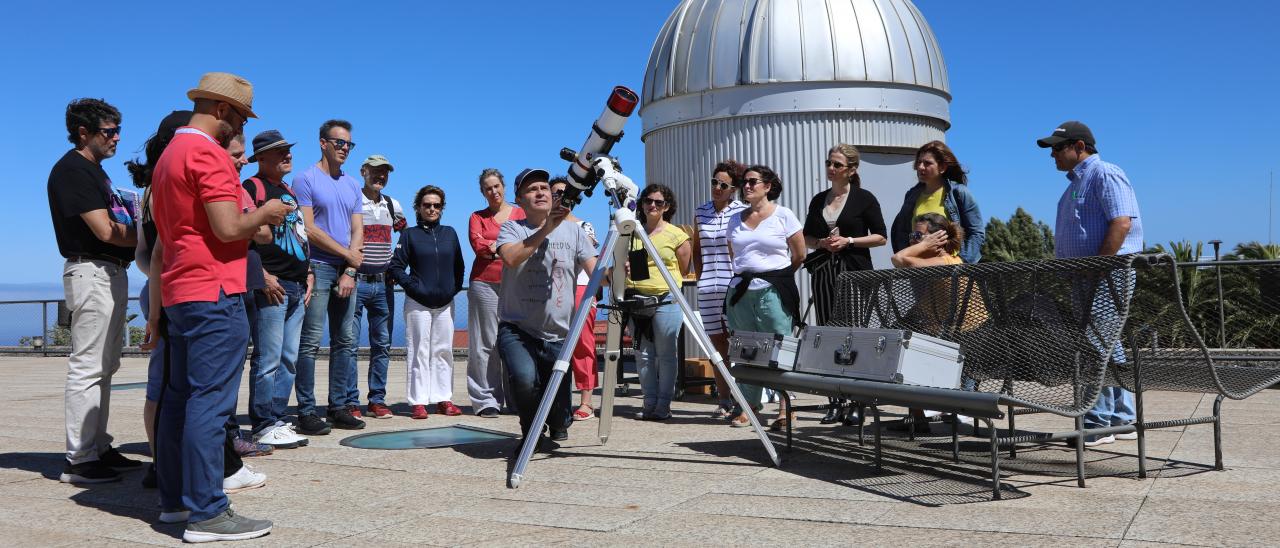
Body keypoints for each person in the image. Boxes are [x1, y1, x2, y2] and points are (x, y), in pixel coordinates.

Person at [150, 72, 285, 541]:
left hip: (180, 290)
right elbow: (229, 229)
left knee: (179, 401)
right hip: (216, 291)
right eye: (241, 117)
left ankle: (174, 502)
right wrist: (265, 214)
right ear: (224, 111)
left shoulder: (170, 154)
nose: (239, 129)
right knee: (211, 405)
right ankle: (208, 513)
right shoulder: (207, 153)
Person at [47, 98, 143, 484]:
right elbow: (104, 231)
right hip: (92, 271)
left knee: (106, 366)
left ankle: (98, 446)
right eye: (109, 131)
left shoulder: (95, 172)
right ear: (83, 132)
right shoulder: (72, 171)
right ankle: (80, 459)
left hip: (110, 271)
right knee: (88, 367)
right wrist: (150, 238)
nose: (116, 138)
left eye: (118, 130)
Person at [1038, 120, 1143, 447]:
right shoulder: (1075, 183)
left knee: (1095, 343)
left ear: (1079, 147)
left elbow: (1121, 222)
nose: (1052, 155)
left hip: (1105, 275)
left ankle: (1097, 423)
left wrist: (1098, 266)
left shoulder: (1105, 173)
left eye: (1057, 148)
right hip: (1088, 276)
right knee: (1108, 343)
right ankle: (1122, 417)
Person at [495, 168, 598, 445]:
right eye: (532, 189)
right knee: (525, 379)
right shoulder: (511, 228)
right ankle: (531, 433)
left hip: (557, 333)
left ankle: (556, 420)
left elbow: (598, 274)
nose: (541, 192)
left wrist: (620, 268)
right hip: (517, 327)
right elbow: (512, 258)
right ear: (519, 199)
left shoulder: (575, 232)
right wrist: (546, 229)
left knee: (561, 423)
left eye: (544, 187)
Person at [802, 144, 886, 426]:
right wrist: (822, 243)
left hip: (854, 272)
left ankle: (858, 403)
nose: (831, 168)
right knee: (827, 334)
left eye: (837, 165)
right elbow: (807, 237)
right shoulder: (818, 200)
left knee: (854, 335)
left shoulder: (865, 199)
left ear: (851, 170)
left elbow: (880, 237)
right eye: (829, 163)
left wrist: (848, 240)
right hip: (825, 272)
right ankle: (834, 402)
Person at [128, 110, 191, 489]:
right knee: (167, 383)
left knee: (164, 382)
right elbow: (153, 252)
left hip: (156, 289)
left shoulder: (150, 189)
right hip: (170, 293)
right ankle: (163, 463)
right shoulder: (167, 187)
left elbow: (141, 253)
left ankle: (160, 459)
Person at [293, 119, 365, 433]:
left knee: (345, 342)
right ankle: (307, 411)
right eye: (339, 143)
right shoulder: (305, 179)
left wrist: (350, 267)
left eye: (349, 144)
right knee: (309, 342)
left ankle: (338, 407)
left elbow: (358, 228)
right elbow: (308, 228)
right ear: (323, 143)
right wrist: (347, 255)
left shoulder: (352, 184)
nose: (344, 149)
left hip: (346, 270)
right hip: (318, 267)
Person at [243, 130, 312, 448]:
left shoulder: (287, 191)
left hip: (297, 284)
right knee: (268, 358)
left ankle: (278, 418)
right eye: (279, 151)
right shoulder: (253, 187)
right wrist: (262, 276)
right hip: (274, 284)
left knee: (288, 358)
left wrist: (308, 271)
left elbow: (299, 234)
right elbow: (245, 236)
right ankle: (262, 422)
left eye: (288, 149)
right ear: (261, 158)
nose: (287, 155)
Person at [724, 165, 806, 430]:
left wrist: (777, 276)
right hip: (741, 291)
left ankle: (786, 409)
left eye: (752, 182)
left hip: (773, 290)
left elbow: (800, 255)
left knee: (780, 348)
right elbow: (734, 254)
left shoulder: (784, 215)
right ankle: (749, 408)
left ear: (767, 186)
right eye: (744, 183)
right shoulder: (735, 218)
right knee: (745, 350)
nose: (746, 186)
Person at [389, 185, 464, 419]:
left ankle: (443, 399)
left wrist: (453, 289)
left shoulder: (450, 233)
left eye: (436, 205)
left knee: (443, 352)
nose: (432, 209)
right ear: (418, 208)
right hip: (417, 303)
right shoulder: (409, 235)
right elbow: (396, 267)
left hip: (445, 304)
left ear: (442, 208)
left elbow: (459, 266)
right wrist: (413, 287)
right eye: (427, 205)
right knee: (418, 351)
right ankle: (419, 402)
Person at [888, 213, 968, 433]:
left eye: (918, 235)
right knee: (902, 336)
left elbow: (898, 259)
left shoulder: (941, 262)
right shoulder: (946, 260)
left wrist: (923, 245)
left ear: (938, 239)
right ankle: (917, 418)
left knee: (905, 347)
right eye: (912, 235)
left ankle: (918, 418)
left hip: (962, 343)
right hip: (951, 337)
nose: (913, 240)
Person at [626, 184, 691, 421]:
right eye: (648, 201)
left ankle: (664, 404)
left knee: (666, 354)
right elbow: (627, 266)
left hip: (666, 299)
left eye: (658, 202)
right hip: (637, 301)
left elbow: (684, 269)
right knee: (642, 355)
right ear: (641, 204)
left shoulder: (677, 235)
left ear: (667, 207)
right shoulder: (631, 232)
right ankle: (648, 402)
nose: (652, 205)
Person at [466, 168, 525, 417]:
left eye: (496, 186)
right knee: (486, 343)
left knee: (516, 342)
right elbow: (479, 247)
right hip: (484, 283)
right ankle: (486, 400)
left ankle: (518, 398)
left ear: (504, 187)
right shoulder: (476, 217)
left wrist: (495, 245)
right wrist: (507, 245)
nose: (493, 191)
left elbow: (530, 239)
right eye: (488, 188)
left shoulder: (521, 213)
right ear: (483, 192)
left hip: (518, 283)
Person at [353, 154, 406, 419]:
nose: (380, 176)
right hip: (355, 281)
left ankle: (377, 400)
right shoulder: (353, 200)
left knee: (382, 344)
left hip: (383, 285)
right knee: (348, 344)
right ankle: (350, 401)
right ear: (364, 171)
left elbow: (404, 236)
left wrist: (396, 264)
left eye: (385, 172)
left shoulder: (392, 204)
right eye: (375, 171)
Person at [694, 160, 748, 419]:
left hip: (732, 284)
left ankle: (744, 400)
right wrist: (702, 275)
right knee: (717, 346)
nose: (716, 187)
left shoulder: (741, 212)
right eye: (714, 182)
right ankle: (724, 398)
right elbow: (697, 249)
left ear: (734, 188)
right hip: (708, 287)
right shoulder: (701, 211)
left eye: (723, 184)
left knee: (737, 343)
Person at [550, 177, 600, 421]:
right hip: (550, 291)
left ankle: (586, 400)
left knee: (583, 345)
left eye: (566, 192)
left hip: (580, 288)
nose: (562, 196)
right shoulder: (543, 226)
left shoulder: (584, 226)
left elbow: (584, 256)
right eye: (557, 192)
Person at [890, 140, 984, 264]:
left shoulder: (959, 193)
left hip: (949, 270)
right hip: (918, 270)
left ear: (942, 167)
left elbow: (976, 233)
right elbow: (901, 231)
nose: (920, 167)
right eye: (919, 162)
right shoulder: (912, 195)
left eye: (927, 163)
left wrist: (962, 262)